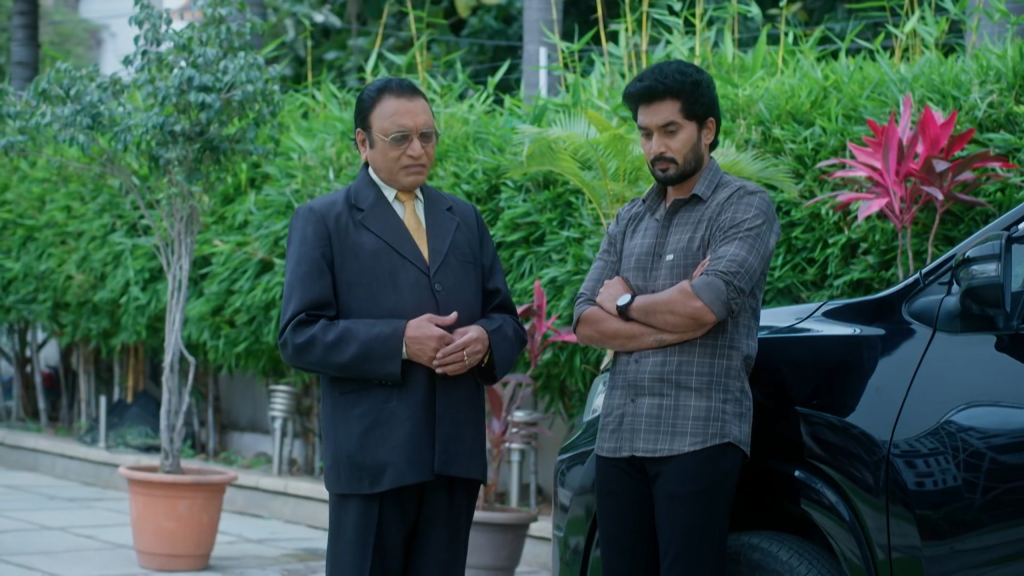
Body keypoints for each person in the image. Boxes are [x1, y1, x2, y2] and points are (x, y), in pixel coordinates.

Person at [277, 77, 527, 576]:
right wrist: (399, 342)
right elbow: (298, 335)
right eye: (400, 138)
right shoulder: (324, 221)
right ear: (363, 142)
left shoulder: (464, 218)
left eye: (427, 136)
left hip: (452, 460)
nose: (418, 149)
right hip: (373, 462)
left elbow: (506, 322)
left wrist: (484, 341)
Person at [572, 59, 781, 575]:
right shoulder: (630, 218)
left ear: (707, 130)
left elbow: (704, 305)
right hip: (620, 437)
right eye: (645, 134)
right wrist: (673, 325)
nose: (655, 147)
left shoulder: (745, 207)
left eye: (670, 131)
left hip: (699, 434)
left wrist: (626, 305)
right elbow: (585, 321)